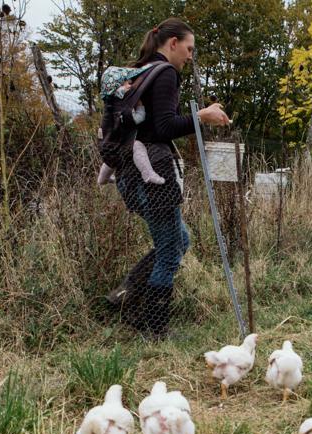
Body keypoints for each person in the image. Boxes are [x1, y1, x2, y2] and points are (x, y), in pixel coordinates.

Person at [107, 18, 230, 339]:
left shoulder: (141, 72)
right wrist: (201, 117)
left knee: (180, 241)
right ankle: (154, 327)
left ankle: (126, 297)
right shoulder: (165, 74)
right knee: (170, 249)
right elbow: (163, 128)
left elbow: (148, 126)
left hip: (131, 176)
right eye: (188, 49)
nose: (190, 56)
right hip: (153, 178)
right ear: (172, 43)